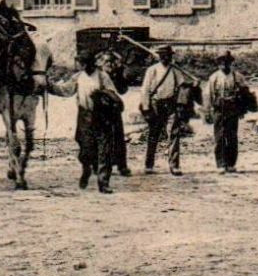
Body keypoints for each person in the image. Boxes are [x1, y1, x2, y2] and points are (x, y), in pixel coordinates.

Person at [49, 51, 124, 192]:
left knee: (104, 150)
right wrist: (50, 86)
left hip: (102, 117)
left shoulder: (102, 76)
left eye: (83, 63)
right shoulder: (78, 77)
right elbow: (66, 90)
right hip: (84, 117)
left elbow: (113, 95)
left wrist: (101, 95)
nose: (81, 66)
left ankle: (103, 183)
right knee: (85, 150)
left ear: (90, 63)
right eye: (80, 63)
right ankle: (86, 170)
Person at [138, 44, 186, 175]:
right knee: (154, 134)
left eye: (168, 56)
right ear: (159, 57)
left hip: (170, 104)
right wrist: (147, 108)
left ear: (171, 57)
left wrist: (181, 103)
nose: (166, 58)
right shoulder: (152, 70)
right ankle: (149, 165)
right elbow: (145, 90)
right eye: (163, 56)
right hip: (155, 104)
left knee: (174, 134)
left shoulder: (175, 70)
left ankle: (174, 165)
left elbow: (182, 87)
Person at [202, 51, 251, 173]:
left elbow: (245, 93)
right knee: (219, 137)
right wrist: (207, 111)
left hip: (233, 109)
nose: (224, 64)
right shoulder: (214, 77)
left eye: (227, 62)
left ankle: (231, 163)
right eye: (222, 62)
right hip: (219, 109)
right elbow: (208, 95)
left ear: (231, 63)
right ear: (218, 63)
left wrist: (242, 109)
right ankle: (221, 163)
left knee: (232, 137)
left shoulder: (238, 76)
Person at [97, 49, 133, 176]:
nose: (110, 64)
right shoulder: (96, 75)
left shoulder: (116, 75)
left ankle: (122, 166)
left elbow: (123, 90)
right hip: (99, 109)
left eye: (112, 62)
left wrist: (120, 73)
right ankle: (100, 166)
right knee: (101, 139)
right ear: (101, 63)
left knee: (118, 137)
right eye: (107, 61)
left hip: (114, 109)